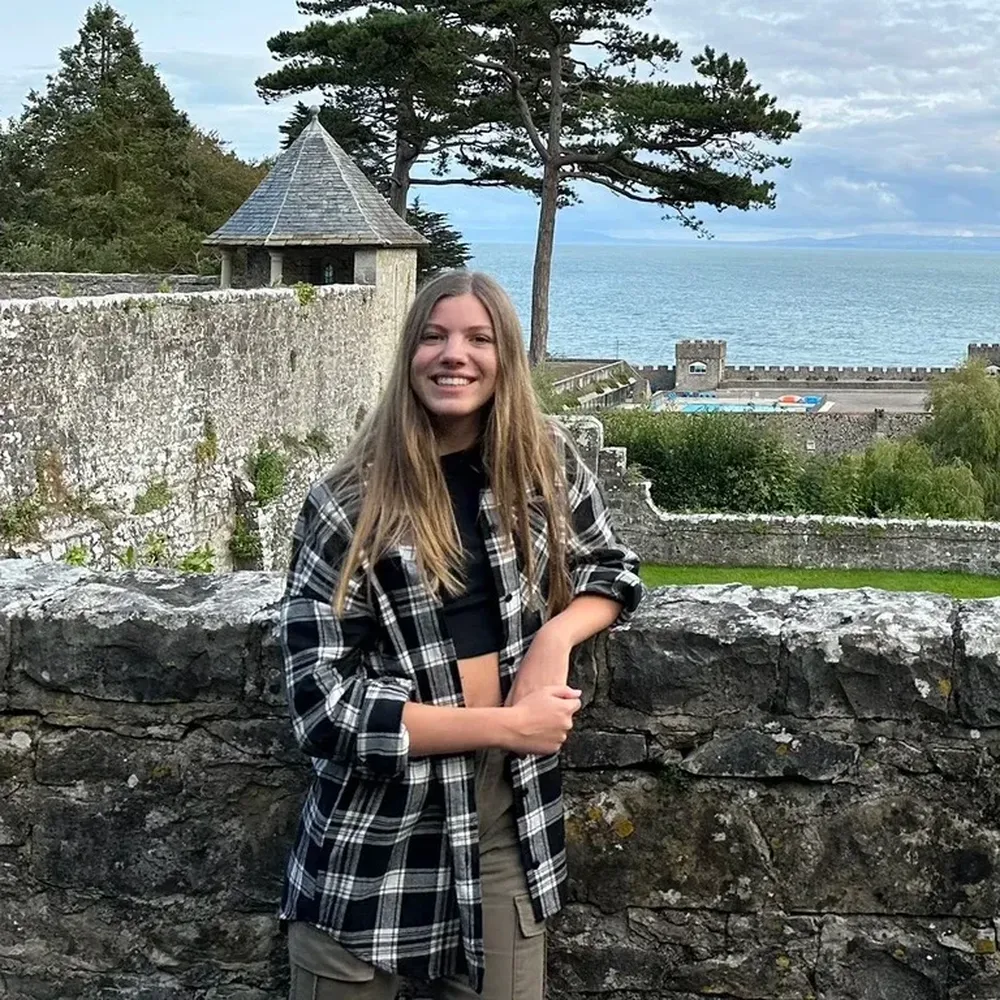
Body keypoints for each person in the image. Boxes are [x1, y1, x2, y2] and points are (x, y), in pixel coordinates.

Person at [277, 270, 644, 1000]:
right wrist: (508, 724)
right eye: (434, 337)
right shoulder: (347, 501)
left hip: (506, 814)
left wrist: (556, 637)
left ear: (505, 356)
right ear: (408, 353)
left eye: (478, 338)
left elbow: (612, 566)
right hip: (376, 821)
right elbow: (322, 707)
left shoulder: (542, 462)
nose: (455, 355)